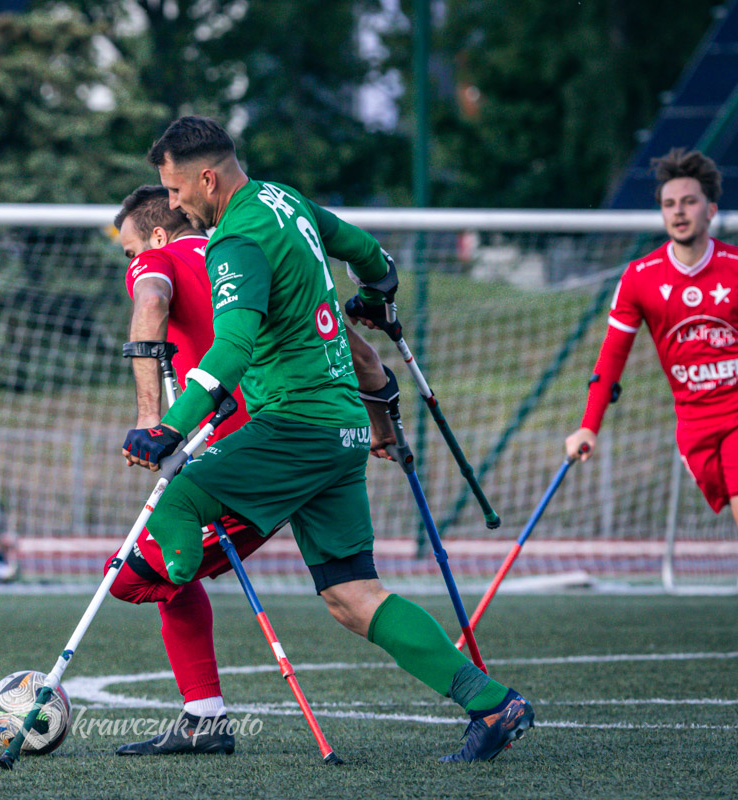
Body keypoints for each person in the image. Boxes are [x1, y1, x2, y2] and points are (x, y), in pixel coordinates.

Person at [121, 116, 534, 763]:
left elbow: (232, 348)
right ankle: (491, 702)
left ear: (207, 179)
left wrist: (169, 427)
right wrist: (378, 289)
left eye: (175, 190)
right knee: (352, 596)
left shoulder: (236, 240)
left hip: (295, 423)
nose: (173, 204)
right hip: (342, 427)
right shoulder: (286, 200)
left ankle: (173, 582)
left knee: (179, 499)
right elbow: (366, 249)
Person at [108, 185, 402, 756]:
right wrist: (383, 425)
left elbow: (150, 302)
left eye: (130, 250)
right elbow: (362, 357)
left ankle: (205, 717)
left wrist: (150, 419)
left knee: (131, 575)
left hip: (243, 466)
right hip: (306, 442)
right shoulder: (251, 256)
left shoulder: (158, 259)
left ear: (159, 234)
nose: (131, 260)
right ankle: (203, 718)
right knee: (344, 589)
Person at [566, 148, 738, 531]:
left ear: (710, 210)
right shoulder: (640, 277)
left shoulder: (735, 268)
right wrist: (589, 426)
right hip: (694, 428)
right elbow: (612, 357)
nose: (679, 211)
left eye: (690, 202)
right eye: (670, 204)